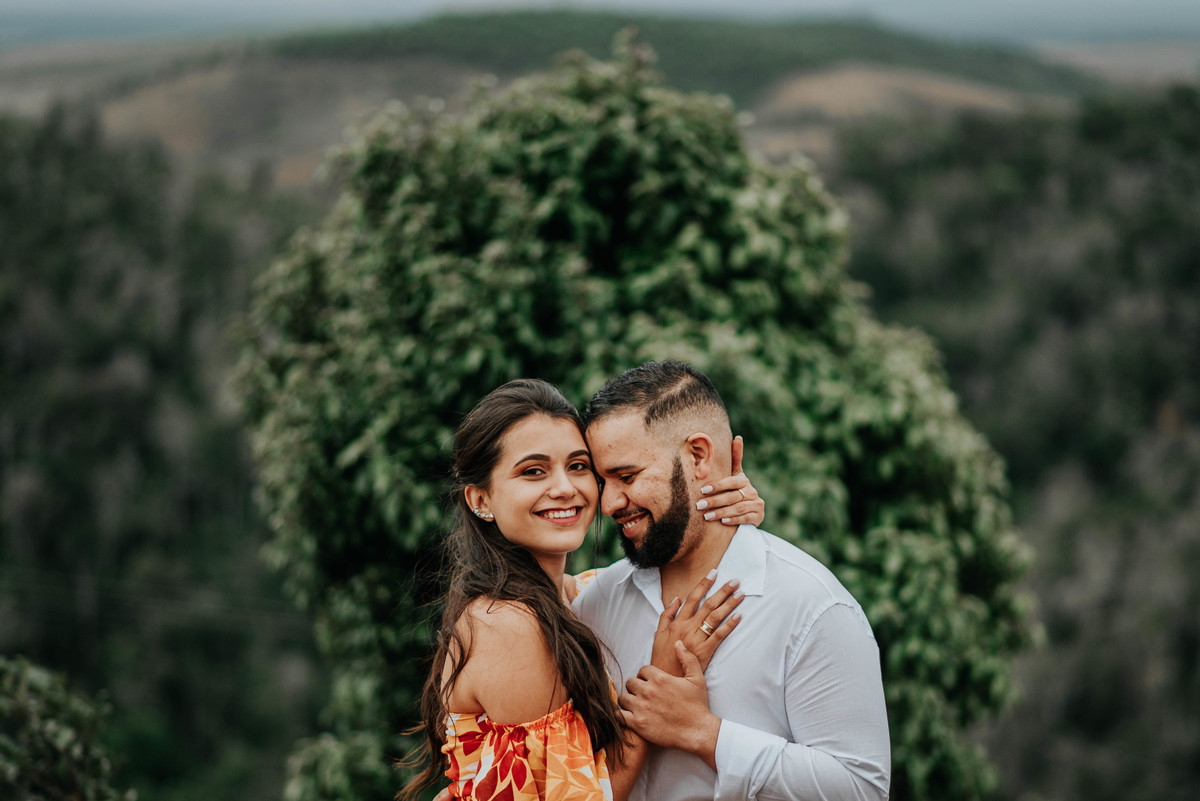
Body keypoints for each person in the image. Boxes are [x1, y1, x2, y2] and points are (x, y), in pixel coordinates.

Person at [401, 378, 764, 801]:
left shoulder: (576, 594)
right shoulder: (508, 623)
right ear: (480, 499)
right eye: (533, 471)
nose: (564, 488)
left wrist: (718, 507)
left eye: (577, 466)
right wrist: (661, 677)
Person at [575, 360, 891, 801]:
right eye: (601, 480)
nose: (609, 503)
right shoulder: (593, 605)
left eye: (627, 476)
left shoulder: (812, 607)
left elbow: (862, 789)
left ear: (698, 457)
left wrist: (707, 735)